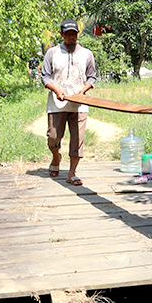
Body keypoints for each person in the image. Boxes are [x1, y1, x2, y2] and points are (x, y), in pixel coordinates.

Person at [41, 19, 98, 186]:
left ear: (78, 34)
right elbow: (45, 76)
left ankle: (72, 173)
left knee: (77, 139)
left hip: (79, 104)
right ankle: (56, 157)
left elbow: (92, 76)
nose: (71, 37)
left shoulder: (87, 54)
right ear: (62, 35)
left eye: (74, 34)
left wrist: (83, 91)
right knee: (53, 136)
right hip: (57, 102)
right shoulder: (52, 52)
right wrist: (57, 91)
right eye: (68, 35)